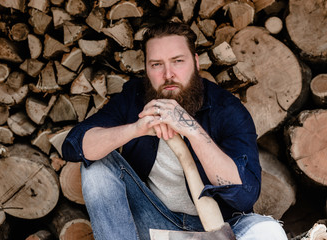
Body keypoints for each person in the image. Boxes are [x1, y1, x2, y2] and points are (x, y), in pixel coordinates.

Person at [62, 22, 288, 240]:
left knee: (267, 231)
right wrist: (136, 129)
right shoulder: (133, 100)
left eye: (178, 61)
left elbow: (245, 196)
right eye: (156, 64)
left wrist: (192, 130)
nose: (168, 74)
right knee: (96, 165)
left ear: (196, 63)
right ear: (147, 69)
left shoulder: (226, 109)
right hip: (155, 224)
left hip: (221, 228)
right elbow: (74, 145)